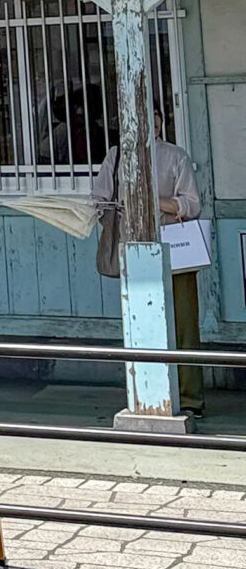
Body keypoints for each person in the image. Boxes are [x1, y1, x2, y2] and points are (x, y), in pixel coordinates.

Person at [94, 114, 205, 412]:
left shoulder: (175, 155)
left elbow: (192, 203)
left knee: (183, 324)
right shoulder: (116, 156)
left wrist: (155, 202)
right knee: (140, 323)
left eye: (155, 117)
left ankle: (190, 397)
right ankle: (147, 394)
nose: (151, 123)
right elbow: (101, 198)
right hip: (132, 248)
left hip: (175, 247)